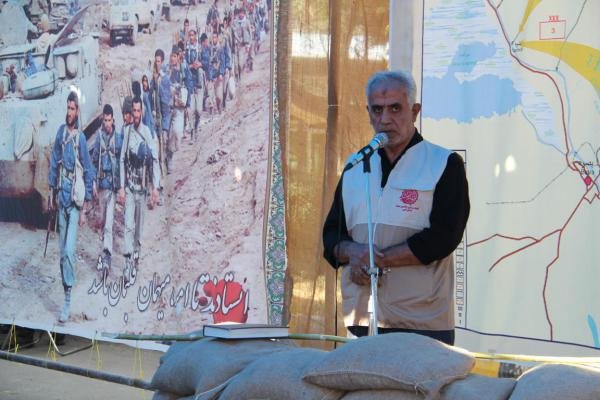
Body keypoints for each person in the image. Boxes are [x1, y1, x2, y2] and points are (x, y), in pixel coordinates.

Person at [322, 70, 470, 345]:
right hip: (362, 320)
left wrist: (377, 260)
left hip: (422, 323)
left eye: (395, 108)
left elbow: (444, 237)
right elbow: (331, 235)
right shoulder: (355, 166)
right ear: (368, 112)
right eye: (377, 110)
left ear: (414, 111)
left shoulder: (443, 164)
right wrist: (353, 252)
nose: (385, 119)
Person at [48, 91, 95, 323]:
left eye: (73, 108)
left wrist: (85, 206)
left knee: (68, 251)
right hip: (62, 198)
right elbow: (53, 161)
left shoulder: (81, 139)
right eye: (68, 108)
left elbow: (88, 169)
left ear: (78, 111)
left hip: (75, 202)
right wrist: (51, 189)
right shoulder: (60, 133)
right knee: (62, 255)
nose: (69, 112)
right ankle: (66, 291)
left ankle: (67, 302)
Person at [118, 96, 159, 286]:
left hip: (142, 190)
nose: (135, 114)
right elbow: (121, 160)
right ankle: (127, 264)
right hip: (129, 188)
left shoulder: (147, 133)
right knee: (128, 226)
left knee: (138, 232)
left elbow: (154, 161)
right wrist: (121, 187)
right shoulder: (126, 132)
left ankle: (136, 258)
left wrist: (155, 187)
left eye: (138, 111)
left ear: (141, 112)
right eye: (133, 111)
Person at [91, 104, 123, 271]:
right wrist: (93, 183)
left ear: (113, 120)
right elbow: (94, 160)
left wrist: (121, 186)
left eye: (109, 120)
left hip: (112, 186)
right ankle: (103, 249)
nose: (107, 123)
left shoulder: (118, 138)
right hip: (102, 185)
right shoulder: (98, 137)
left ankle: (107, 254)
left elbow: (122, 163)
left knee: (109, 222)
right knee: (103, 221)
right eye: (105, 120)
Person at [185, 28, 206, 143]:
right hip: (190, 82)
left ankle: (197, 127)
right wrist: (191, 66)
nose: (191, 37)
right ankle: (193, 131)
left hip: (199, 82)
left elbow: (206, 62)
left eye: (193, 35)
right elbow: (184, 66)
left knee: (199, 110)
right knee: (191, 110)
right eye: (190, 35)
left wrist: (200, 64)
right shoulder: (187, 50)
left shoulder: (200, 49)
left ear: (196, 36)